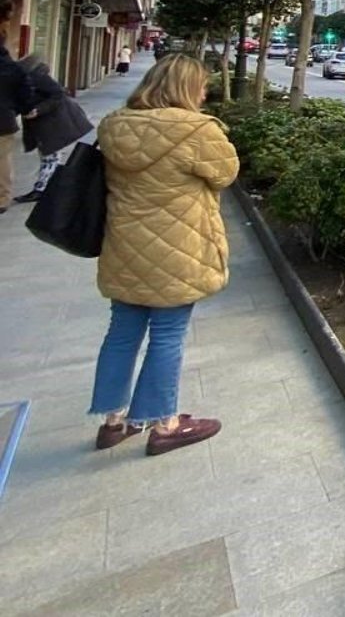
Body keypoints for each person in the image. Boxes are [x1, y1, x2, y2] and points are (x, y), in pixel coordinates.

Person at [91, 54, 239, 456]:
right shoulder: (198, 130)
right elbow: (226, 174)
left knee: (121, 333)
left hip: (124, 244)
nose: (205, 92)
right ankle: (165, 424)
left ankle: (113, 422)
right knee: (168, 335)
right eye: (201, 86)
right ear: (188, 88)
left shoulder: (115, 126)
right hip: (179, 247)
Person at [13, 54, 92, 203]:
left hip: (54, 122)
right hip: (46, 122)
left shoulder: (36, 77)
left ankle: (41, 189)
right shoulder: (24, 78)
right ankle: (48, 188)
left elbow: (58, 94)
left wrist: (38, 109)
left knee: (50, 156)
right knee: (49, 156)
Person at [0, 32, 39, 216]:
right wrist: (20, 109)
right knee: (2, 160)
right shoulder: (14, 68)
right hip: (3, 120)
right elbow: (25, 96)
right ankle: (2, 199)